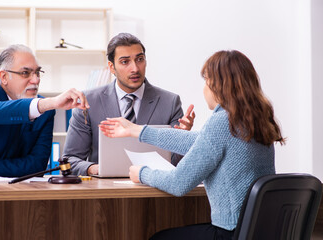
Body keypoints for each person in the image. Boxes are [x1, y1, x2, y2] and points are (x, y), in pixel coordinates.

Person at [99, 50, 285, 239]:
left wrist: (142, 173)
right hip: (260, 230)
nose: (204, 89)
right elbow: (196, 141)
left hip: (230, 232)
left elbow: (177, 183)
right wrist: (135, 130)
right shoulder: (254, 119)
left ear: (216, 84)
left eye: (206, 81)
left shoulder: (223, 121)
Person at [63, 32, 195, 176]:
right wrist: (95, 168)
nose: (135, 69)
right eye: (125, 62)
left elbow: (177, 165)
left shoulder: (169, 102)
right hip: (104, 191)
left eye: (140, 59)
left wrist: (182, 139)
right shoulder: (89, 102)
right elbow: (70, 160)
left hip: (154, 191)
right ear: (111, 67)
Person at [0, 44, 89, 177]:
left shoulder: (45, 110)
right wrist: (50, 103)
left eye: (37, 72)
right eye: (25, 73)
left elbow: (37, 165)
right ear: (4, 77)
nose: (36, 80)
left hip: (17, 190)